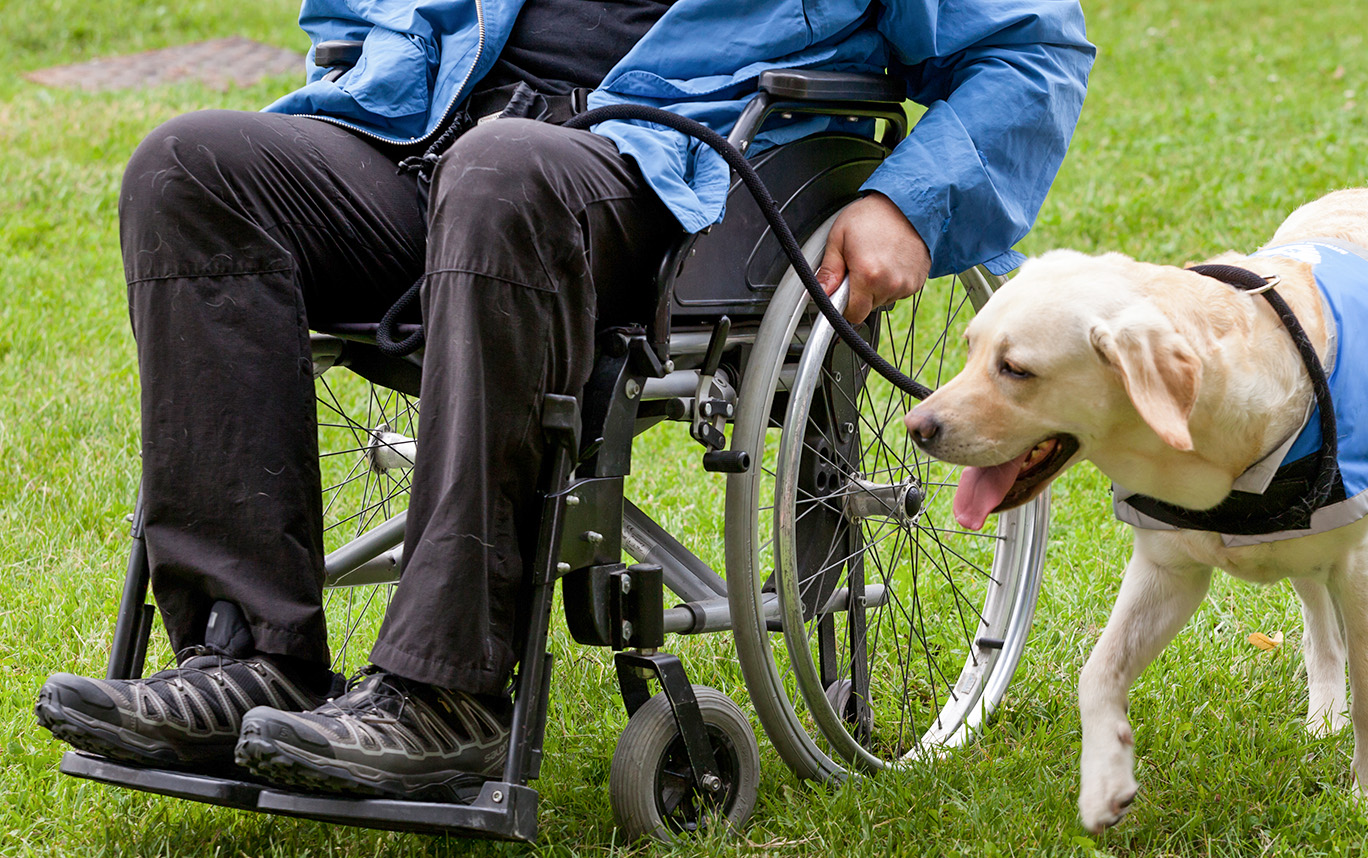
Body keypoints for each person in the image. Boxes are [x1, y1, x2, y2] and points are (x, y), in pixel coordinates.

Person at [34, 0, 1095, 801]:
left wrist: (906, 201)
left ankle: (441, 693)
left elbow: (1029, 52)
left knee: (504, 175)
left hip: (677, 172)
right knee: (192, 170)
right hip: (440, 137)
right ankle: (245, 660)